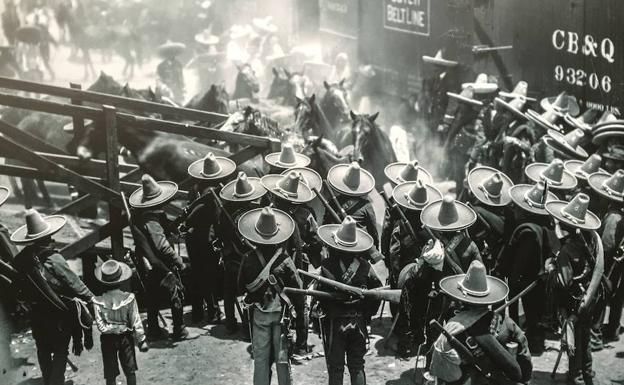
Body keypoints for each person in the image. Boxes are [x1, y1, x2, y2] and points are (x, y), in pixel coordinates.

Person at [12, 209, 95, 385]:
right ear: (49, 236)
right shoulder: (54, 258)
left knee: (42, 349)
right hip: (57, 313)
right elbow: (75, 284)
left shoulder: (24, 260)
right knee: (60, 349)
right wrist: (92, 299)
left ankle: (49, 379)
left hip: (37, 313)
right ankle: (56, 381)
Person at [430, 260, 532, 385]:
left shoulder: (453, 327)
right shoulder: (507, 324)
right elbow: (525, 366)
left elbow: (443, 371)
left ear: (461, 300)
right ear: (488, 299)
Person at [544, 193, 603, 385]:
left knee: (574, 343)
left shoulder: (567, 251)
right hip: (588, 299)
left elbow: (564, 283)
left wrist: (551, 268)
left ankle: (576, 378)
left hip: (573, 304)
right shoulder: (590, 242)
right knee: (584, 341)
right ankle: (587, 375)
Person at [239, 206, 302, 385]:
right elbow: (298, 290)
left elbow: (240, 286)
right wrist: (300, 320)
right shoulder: (285, 259)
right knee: (282, 360)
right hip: (281, 314)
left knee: (260, 360)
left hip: (259, 313)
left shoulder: (248, 258)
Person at [261, 170, 322, 355]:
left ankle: (273, 341)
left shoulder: (269, 212)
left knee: (273, 299)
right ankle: (301, 345)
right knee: (300, 301)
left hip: (270, 265)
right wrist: (306, 248)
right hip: (296, 264)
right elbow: (317, 239)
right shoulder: (305, 214)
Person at [317, 216, 382, 385]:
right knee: (357, 366)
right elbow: (377, 294)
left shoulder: (327, 266)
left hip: (335, 323)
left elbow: (320, 297)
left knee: (336, 368)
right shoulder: (366, 267)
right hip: (358, 322)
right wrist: (366, 315)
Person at [129, 174, 194, 341]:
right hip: (158, 262)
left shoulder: (141, 215)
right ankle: (179, 329)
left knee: (153, 296)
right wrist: (178, 261)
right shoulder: (151, 219)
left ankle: (154, 330)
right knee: (175, 291)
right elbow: (161, 245)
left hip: (149, 260)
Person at [498, 180, 560, 355]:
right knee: (537, 312)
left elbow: (521, 262)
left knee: (531, 314)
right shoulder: (547, 225)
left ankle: (528, 345)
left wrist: (513, 281)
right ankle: (536, 343)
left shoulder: (528, 232)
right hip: (540, 278)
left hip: (528, 279)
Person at [388, 180, 441, 358]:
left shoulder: (400, 224)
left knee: (405, 309)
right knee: (422, 306)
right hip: (427, 274)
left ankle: (404, 345)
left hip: (407, 273)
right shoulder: (431, 226)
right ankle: (419, 338)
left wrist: (395, 277)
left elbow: (394, 252)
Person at [183, 153, 236, 323]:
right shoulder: (216, 193)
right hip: (208, 238)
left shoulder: (195, 189)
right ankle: (213, 310)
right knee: (210, 276)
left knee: (197, 274)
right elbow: (218, 218)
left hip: (192, 237)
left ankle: (198, 311)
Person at [218, 171, 267, 335]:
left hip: (230, 255)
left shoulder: (224, 211)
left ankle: (230, 324)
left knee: (228, 291)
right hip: (246, 258)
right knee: (250, 292)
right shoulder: (252, 213)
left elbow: (221, 233)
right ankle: (248, 327)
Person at [93, 260, 148, 385]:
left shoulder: (98, 301)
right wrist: (141, 339)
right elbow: (135, 320)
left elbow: (101, 327)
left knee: (110, 373)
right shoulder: (129, 298)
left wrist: (112, 327)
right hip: (125, 337)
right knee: (130, 370)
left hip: (107, 340)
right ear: (121, 280)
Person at [587, 170, 624, 348]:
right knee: (616, 296)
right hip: (618, 264)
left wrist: (596, 261)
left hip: (609, 264)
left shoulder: (613, 217)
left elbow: (607, 247)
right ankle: (613, 329)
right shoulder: (617, 215)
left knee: (601, 294)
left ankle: (595, 336)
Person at [324, 162, 380, 259]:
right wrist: (375, 249)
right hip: (357, 249)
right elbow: (373, 231)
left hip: (335, 247)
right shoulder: (366, 205)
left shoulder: (332, 202)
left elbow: (325, 226)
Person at [465, 166, 515, 270]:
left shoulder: (478, 211)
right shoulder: (509, 212)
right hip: (505, 257)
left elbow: (469, 236)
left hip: (486, 260)